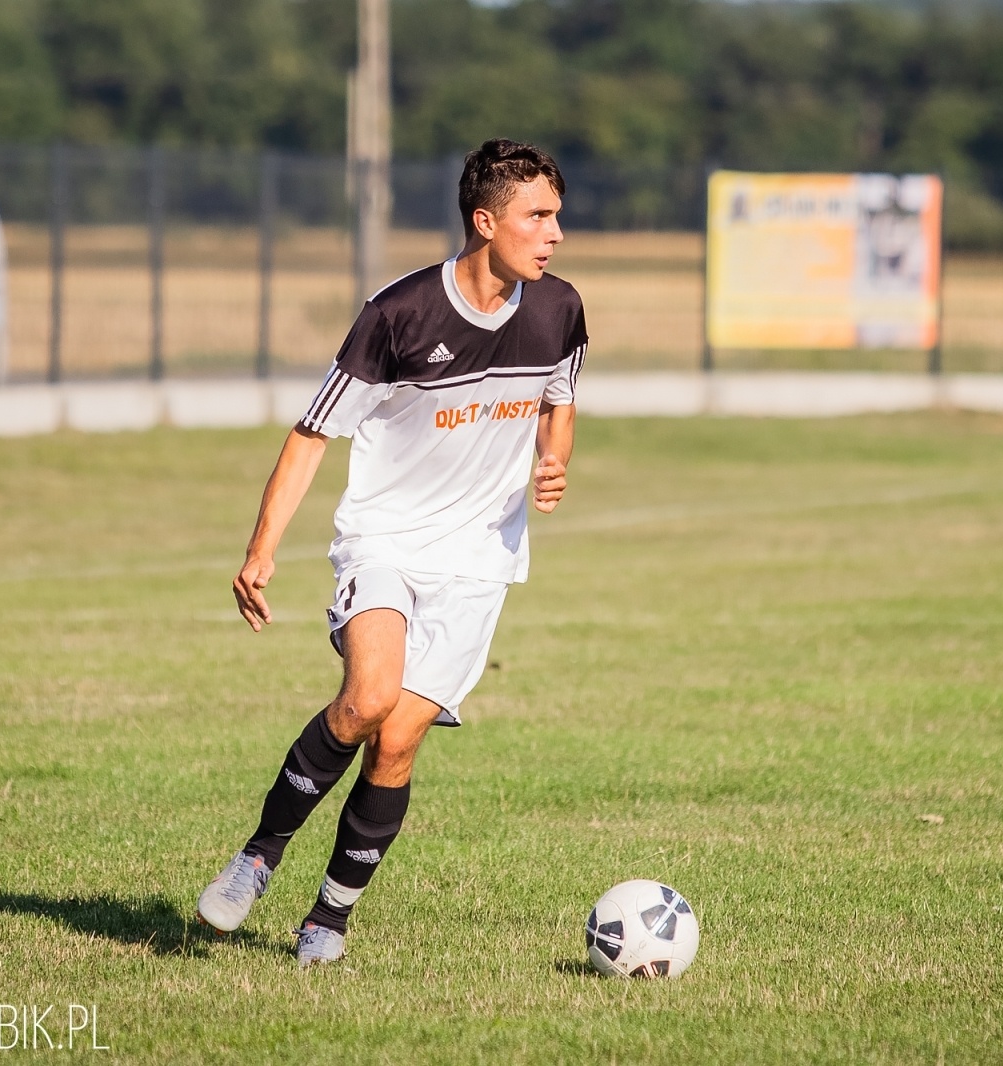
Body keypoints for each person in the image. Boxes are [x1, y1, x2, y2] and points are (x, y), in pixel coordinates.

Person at [195, 139, 586, 968]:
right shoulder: (398, 313)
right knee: (368, 697)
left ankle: (329, 918)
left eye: (557, 215)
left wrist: (555, 464)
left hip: (479, 561)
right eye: (538, 216)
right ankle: (258, 856)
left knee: (399, 741)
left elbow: (560, 397)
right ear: (486, 222)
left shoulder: (561, 310)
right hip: (385, 540)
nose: (555, 232)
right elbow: (311, 436)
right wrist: (261, 549)